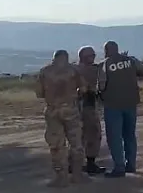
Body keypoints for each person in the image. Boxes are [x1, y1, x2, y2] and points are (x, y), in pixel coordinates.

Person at [35, 50, 91, 187]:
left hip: (53, 111)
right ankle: (77, 175)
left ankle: (61, 177)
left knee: (56, 145)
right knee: (76, 144)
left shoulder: (44, 72)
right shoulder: (73, 70)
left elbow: (39, 93)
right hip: (71, 110)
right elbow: (84, 89)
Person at [97, 40, 143, 178]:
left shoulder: (105, 64)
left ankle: (119, 167)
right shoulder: (131, 60)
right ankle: (131, 165)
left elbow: (102, 86)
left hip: (113, 105)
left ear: (106, 51)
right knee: (129, 135)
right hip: (131, 102)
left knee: (115, 137)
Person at [67, 46, 106, 175]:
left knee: (78, 136)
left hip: (76, 106)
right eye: (91, 55)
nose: (93, 57)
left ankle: (73, 164)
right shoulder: (91, 69)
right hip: (86, 105)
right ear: (83, 56)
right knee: (93, 134)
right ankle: (89, 163)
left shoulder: (72, 69)